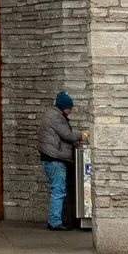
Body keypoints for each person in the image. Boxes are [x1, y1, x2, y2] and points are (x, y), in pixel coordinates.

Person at [40, 90, 83, 231]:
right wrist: (81, 135)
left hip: (51, 158)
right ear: (65, 107)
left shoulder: (52, 114)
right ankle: (54, 222)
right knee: (58, 191)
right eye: (70, 108)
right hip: (55, 159)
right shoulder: (57, 117)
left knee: (57, 190)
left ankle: (55, 220)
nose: (70, 111)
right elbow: (68, 135)